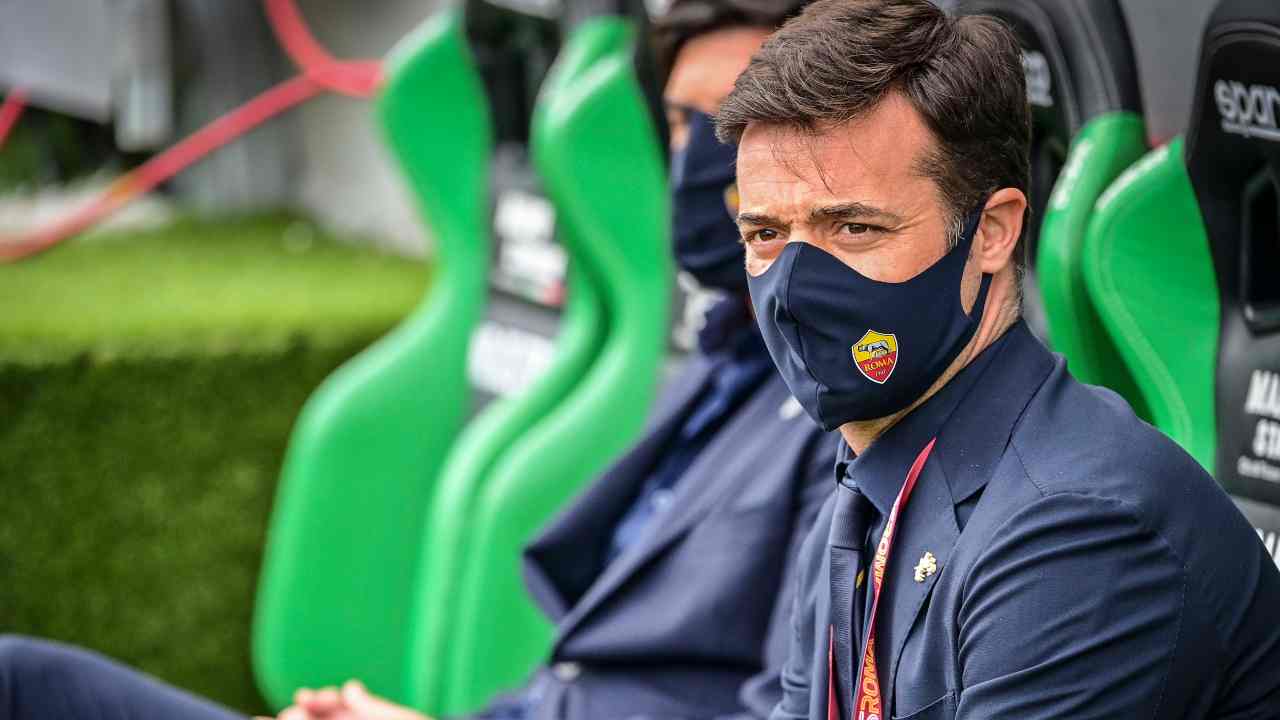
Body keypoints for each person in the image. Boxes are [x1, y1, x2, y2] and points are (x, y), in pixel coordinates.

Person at [0, 2, 838, 720]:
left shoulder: (835, 414)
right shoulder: (724, 356)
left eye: (735, 127)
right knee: (23, 678)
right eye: (685, 124)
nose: (704, 160)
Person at [711, 1, 1280, 718]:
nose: (794, 290)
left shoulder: (1075, 531)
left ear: (992, 232)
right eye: (765, 235)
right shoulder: (860, 500)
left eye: (854, 227)